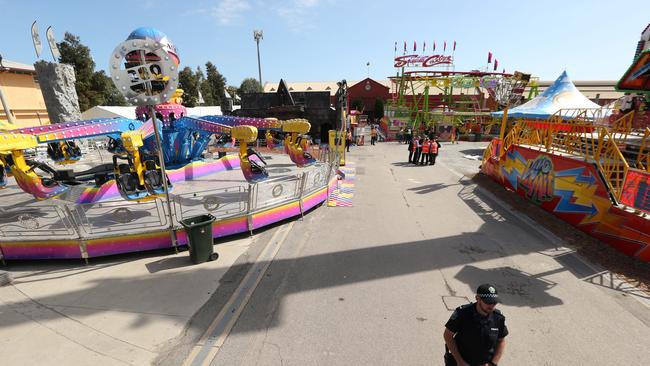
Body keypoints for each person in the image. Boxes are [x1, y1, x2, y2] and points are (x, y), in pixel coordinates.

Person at [443, 284, 508, 366]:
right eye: (488, 302)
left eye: (494, 302)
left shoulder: (498, 318)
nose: (492, 305)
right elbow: (448, 335)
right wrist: (459, 361)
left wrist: (493, 363)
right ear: (477, 298)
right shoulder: (462, 313)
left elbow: (501, 341)